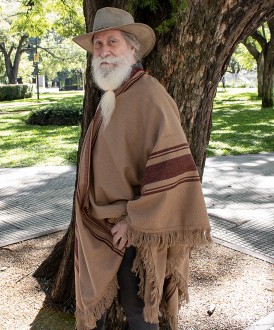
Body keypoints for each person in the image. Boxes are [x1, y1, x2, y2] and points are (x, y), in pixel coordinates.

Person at [72, 7, 212, 330]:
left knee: (139, 315)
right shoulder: (112, 95)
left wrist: (131, 221)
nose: (104, 51)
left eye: (113, 42)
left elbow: (175, 177)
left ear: (132, 49)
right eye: (98, 45)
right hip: (97, 230)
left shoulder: (151, 96)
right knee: (99, 313)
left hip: (131, 233)